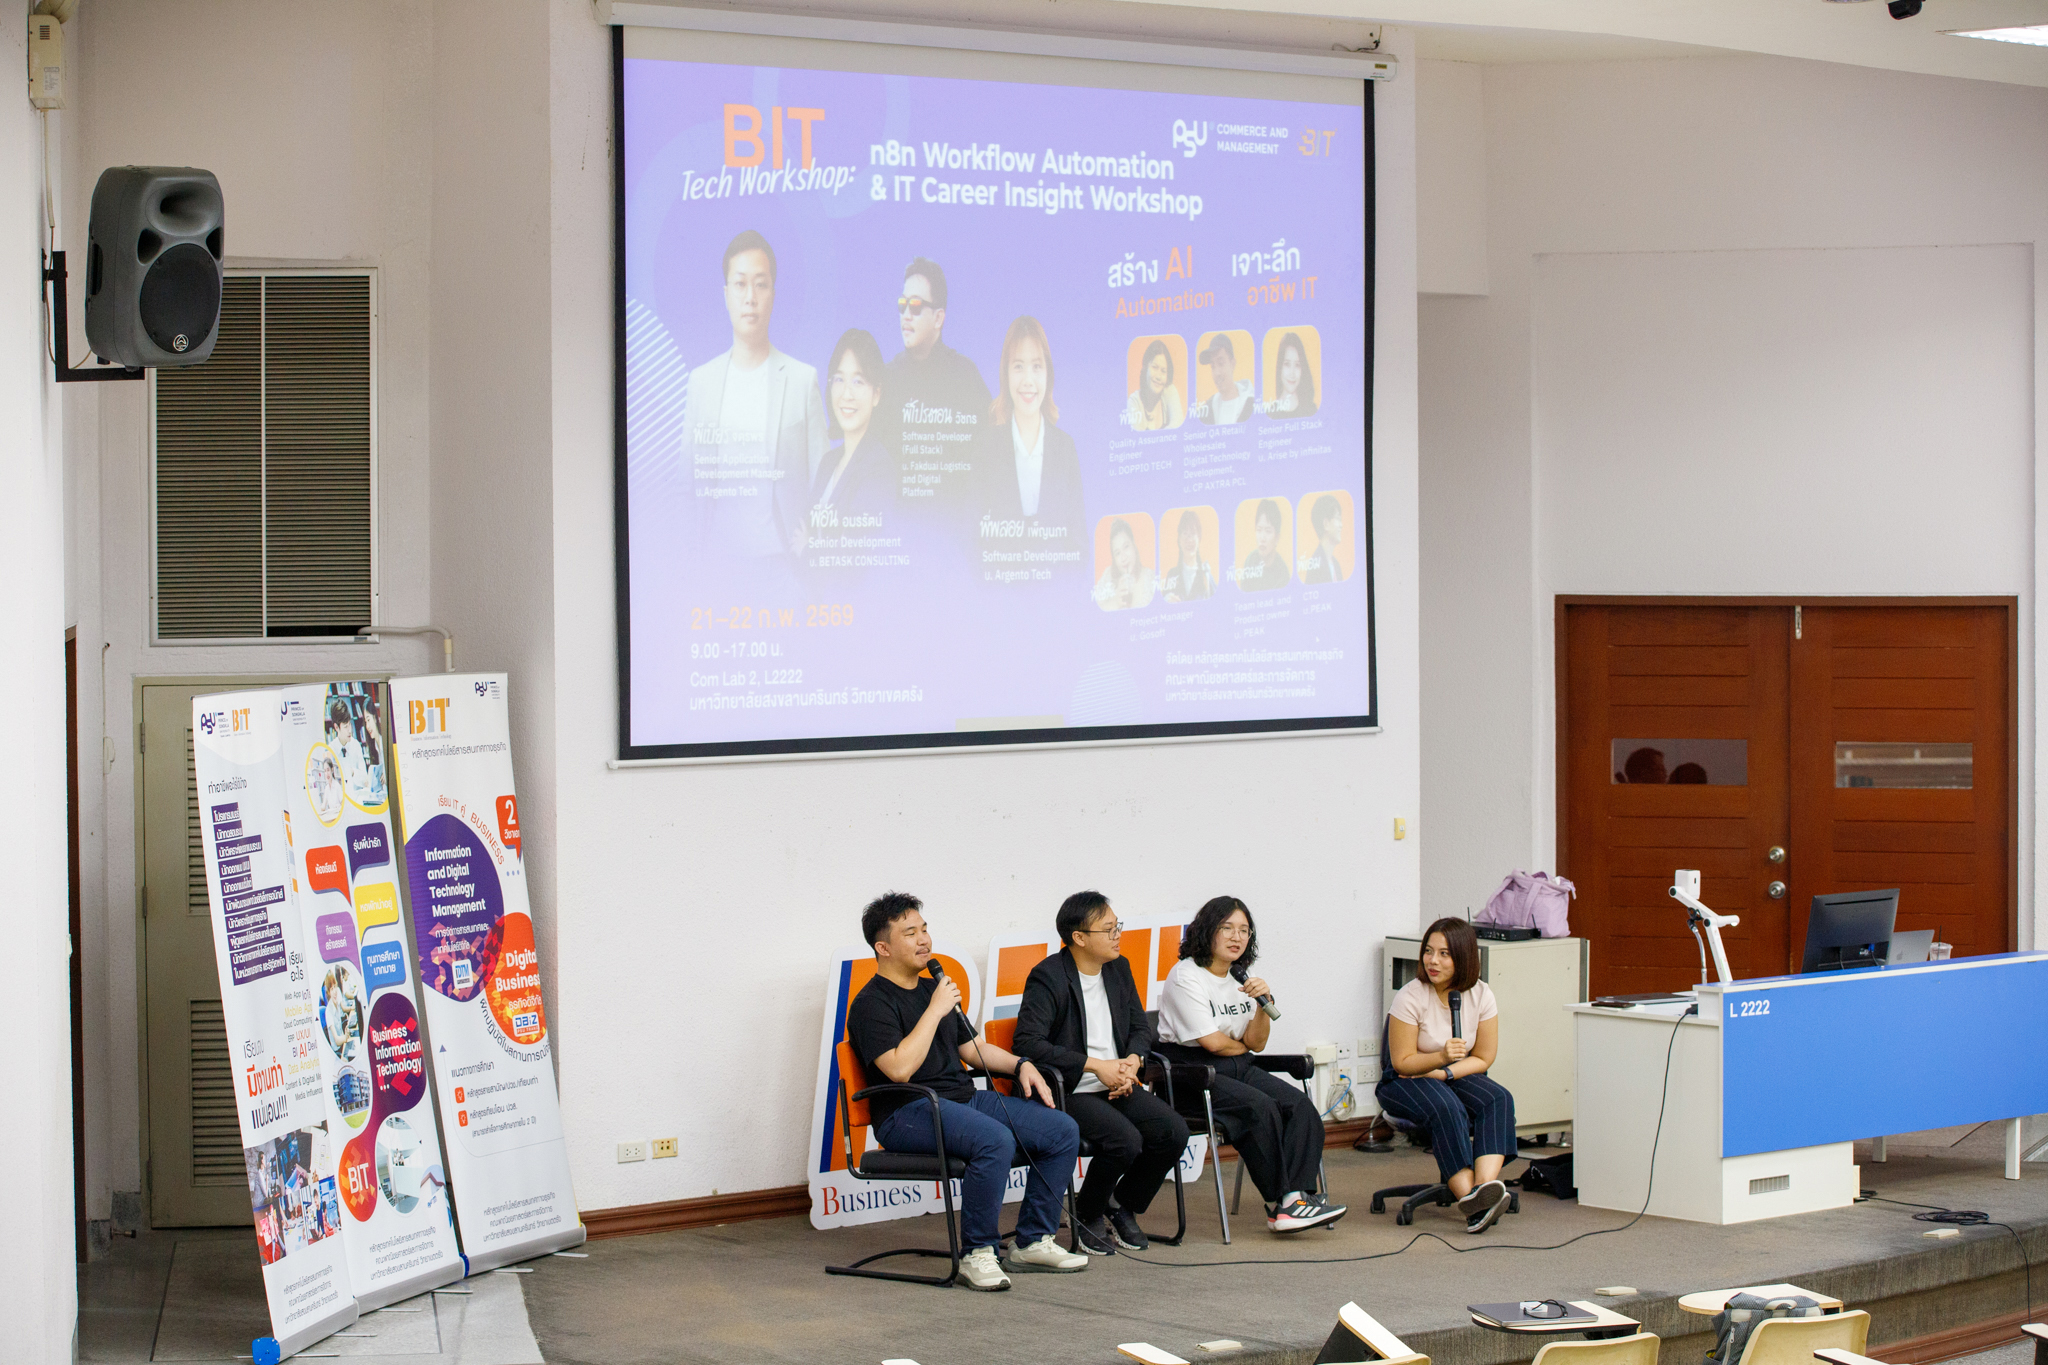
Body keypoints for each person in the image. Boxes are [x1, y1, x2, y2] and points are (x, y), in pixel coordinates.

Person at [844, 892, 1087, 1290]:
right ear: (883, 947)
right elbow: (899, 1069)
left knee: (1061, 1129)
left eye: (925, 929)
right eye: (910, 933)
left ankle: (1032, 1241)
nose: (924, 939)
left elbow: (973, 1050)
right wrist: (935, 1010)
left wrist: (1022, 1065)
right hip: (906, 1112)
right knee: (994, 1139)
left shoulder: (932, 990)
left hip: (961, 1100)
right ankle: (978, 1253)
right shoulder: (871, 1003)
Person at [1155, 896, 1346, 1233]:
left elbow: (1257, 1043)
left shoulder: (1241, 976)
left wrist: (1262, 1005)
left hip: (1236, 1065)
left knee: (1300, 1106)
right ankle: (1286, 1202)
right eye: (1227, 928)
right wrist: (1241, 1047)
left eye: (1244, 930)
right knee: (1259, 1107)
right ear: (1206, 931)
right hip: (1190, 1076)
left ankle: (1295, 1199)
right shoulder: (1186, 975)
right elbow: (1212, 1043)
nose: (1237, 937)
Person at [1014, 891, 1190, 1255]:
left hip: (1117, 1083)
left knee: (1173, 1131)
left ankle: (1122, 1206)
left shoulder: (1118, 968)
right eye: (1108, 929)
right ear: (1079, 937)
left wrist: (1132, 1061)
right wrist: (1096, 1066)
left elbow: (1140, 1027)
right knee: (1125, 1140)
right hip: (1070, 1089)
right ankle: (1087, 1212)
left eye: (1116, 926)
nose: (1117, 935)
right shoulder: (1048, 976)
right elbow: (1028, 1043)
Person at [680, 229, 827, 557]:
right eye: (740, 284)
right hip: (716, 565)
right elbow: (686, 486)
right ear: (726, 294)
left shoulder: (802, 381)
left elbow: (822, 483)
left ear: (773, 293)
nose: (750, 297)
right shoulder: (701, 383)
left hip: (784, 566)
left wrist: (812, 548)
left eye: (760, 284)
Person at [1376, 917, 1518, 1233]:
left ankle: (1484, 1189)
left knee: (1498, 1098)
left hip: (1450, 1073)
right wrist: (1440, 1059)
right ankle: (1471, 1202)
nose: (1433, 961)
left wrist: (1446, 1073)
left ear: (1463, 958)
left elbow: (1483, 1057)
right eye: (1429, 951)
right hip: (1404, 1079)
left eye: (1444, 954)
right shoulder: (1410, 996)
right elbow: (1401, 1062)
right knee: (1446, 1107)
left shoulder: (1481, 994)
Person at [971, 317, 1087, 577]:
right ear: (1005, 374)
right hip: (1000, 594)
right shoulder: (985, 449)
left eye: (1036, 367)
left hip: (1056, 596)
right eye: (1018, 367)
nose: (1028, 380)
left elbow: (1079, 546)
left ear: (1048, 374)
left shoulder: (1065, 449)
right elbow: (973, 543)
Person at [885, 257, 992, 508]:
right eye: (902, 305)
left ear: (938, 318)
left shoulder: (966, 377)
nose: (906, 315)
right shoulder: (887, 379)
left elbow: (991, 457)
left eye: (915, 306)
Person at [807, 329, 899, 527]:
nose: (846, 394)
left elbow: (860, 541)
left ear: (876, 394)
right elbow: (805, 527)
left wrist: (807, 543)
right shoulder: (828, 462)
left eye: (858, 381)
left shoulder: (879, 468)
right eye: (839, 379)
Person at [1093, 517, 1156, 611]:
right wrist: (1115, 602)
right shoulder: (1108, 576)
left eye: (1126, 547)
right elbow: (1092, 610)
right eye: (1117, 553)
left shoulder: (1151, 578)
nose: (1123, 558)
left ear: (1134, 545)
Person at [1125, 339, 1185, 431]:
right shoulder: (1134, 402)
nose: (1158, 376)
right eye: (1154, 367)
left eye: (1163, 371)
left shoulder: (1170, 391)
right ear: (1146, 368)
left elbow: (1178, 424)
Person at [1197, 334, 1253, 425]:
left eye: (1221, 363)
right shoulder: (1206, 411)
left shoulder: (1252, 405)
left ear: (1232, 364)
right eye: (1213, 366)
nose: (1217, 373)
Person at [1161, 509, 1214, 602]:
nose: (1189, 539)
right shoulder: (1172, 575)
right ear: (1179, 540)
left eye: (1193, 534)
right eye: (1185, 533)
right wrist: (1166, 600)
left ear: (1199, 539)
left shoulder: (1206, 575)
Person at [1237, 498, 1289, 592]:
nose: (1262, 538)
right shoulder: (1250, 560)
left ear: (1277, 538)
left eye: (1268, 531)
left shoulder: (1283, 573)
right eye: (1259, 530)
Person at [1267, 331, 1318, 419]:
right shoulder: (1270, 414)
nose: (1292, 373)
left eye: (1297, 365)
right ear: (1280, 367)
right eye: (1287, 364)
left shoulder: (1311, 410)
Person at [1299, 495, 1348, 584]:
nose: (1341, 525)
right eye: (1338, 519)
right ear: (1326, 524)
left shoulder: (1336, 565)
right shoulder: (1315, 566)